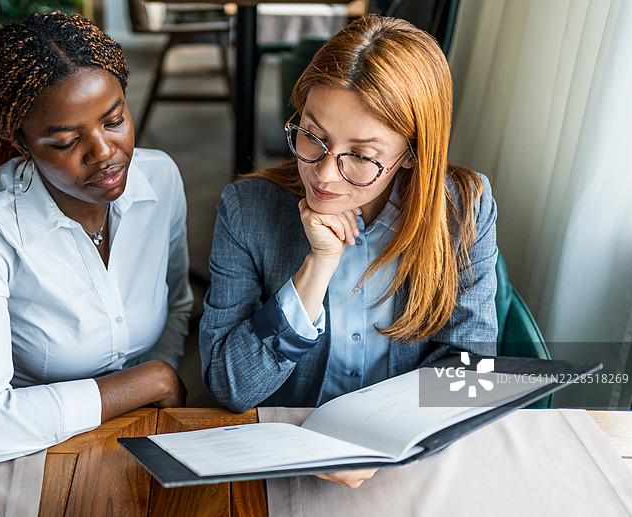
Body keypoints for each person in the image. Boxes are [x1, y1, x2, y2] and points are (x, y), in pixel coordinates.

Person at [199, 15, 498, 487]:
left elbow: (469, 372)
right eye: (313, 136)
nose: (324, 175)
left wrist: (387, 444)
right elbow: (229, 386)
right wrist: (316, 268)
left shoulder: (464, 210)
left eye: (361, 156)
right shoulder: (246, 209)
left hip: (409, 464)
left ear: (413, 153)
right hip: (285, 464)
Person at [0, 12, 192, 467]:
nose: (104, 153)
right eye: (67, 141)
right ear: (21, 142)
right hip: (31, 452)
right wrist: (150, 381)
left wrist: (154, 386)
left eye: (114, 120)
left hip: (143, 435)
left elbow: (176, 305)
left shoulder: (161, 179)